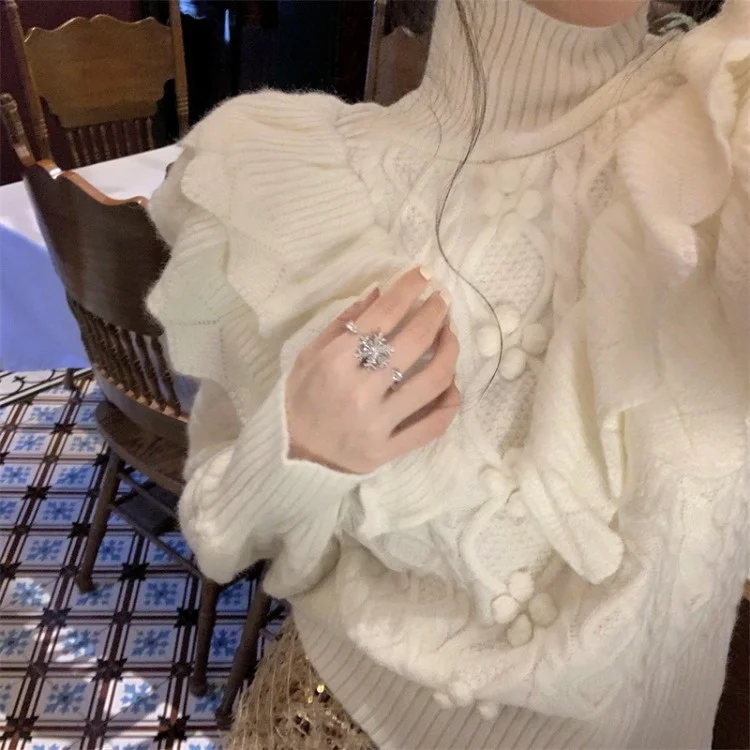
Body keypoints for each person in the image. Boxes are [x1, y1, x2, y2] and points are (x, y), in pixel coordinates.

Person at [147, 0, 749, 747]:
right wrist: (298, 451)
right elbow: (219, 529)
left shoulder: (724, 130)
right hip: (324, 720)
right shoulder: (275, 172)